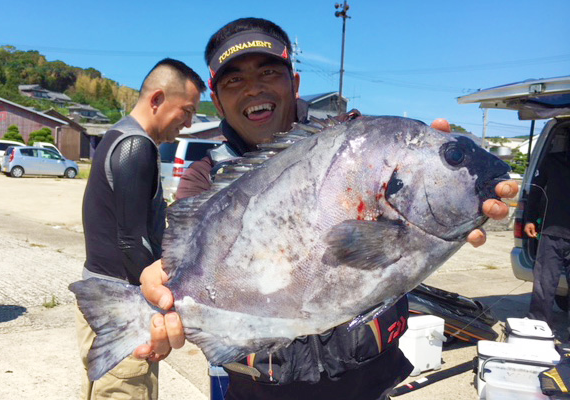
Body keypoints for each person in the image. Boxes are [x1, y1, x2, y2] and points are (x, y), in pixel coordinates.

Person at [136, 18, 519, 400]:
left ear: (295, 83)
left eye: (269, 71)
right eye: (233, 80)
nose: (253, 88)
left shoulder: (358, 140)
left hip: (368, 384)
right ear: (216, 100)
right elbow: (181, 263)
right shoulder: (204, 178)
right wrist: (163, 288)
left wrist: (450, 188)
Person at [76, 58, 205, 400]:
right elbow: (133, 241)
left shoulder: (116, 135)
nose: (189, 123)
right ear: (158, 99)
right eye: (187, 111)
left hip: (104, 299)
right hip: (124, 306)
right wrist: (163, 303)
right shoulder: (137, 146)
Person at [524, 139, 570, 335]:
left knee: (545, 283)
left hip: (555, 232)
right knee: (544, 284)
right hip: (552, 232)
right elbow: (535, 191)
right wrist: (529, 219)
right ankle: (538, 327)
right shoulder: (553, 161)